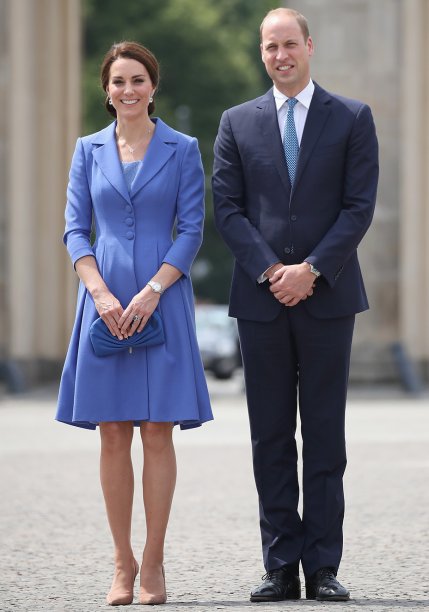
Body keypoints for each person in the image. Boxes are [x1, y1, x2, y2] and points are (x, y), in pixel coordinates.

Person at [212, 7, 378, 603]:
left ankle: (323, 566)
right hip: (260, 302)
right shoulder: (235, 122)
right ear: (262, 54)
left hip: (327, 298)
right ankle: (280, 565)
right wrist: (270, 270)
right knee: (271, 436)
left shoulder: (353, 118)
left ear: (309, 46)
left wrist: (310, 270)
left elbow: (359, 206)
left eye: (289, 44)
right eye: (269, 47)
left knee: (326, 436)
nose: (280, 55)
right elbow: (227, 208)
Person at [56, 41, 213, 606]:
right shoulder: (86, 150)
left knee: (156, 431)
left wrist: (152, 289)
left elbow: (191, 229)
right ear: (106, 90)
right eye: (119, 81)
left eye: (138, 80)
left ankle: (154, 564)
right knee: (114, 432)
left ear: (154, 86)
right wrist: (98, 291)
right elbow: (75, 229)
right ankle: (121, 563)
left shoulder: (184, 148)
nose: (128, 90)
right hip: (102, 303)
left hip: (162, 301)